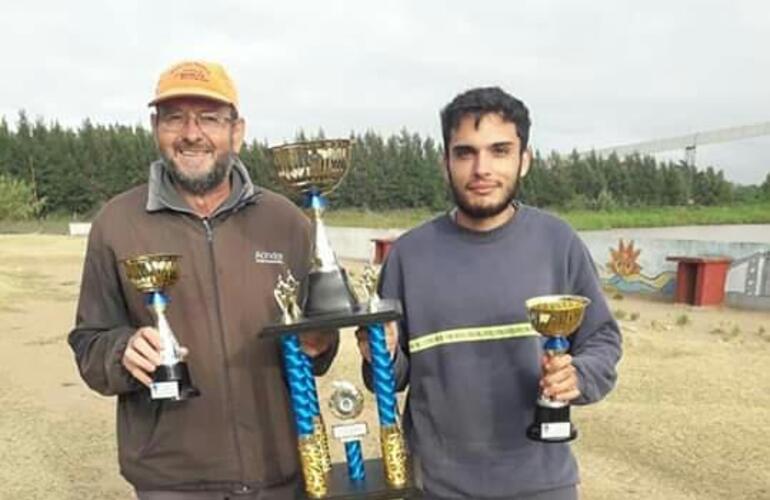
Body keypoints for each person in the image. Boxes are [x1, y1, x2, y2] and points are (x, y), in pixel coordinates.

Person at [68, 60, 338, 500]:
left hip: (283, 474)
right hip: (171, 482)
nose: (192, 133)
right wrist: (122, 351)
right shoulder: (117, 223)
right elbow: (88, 342)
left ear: (237, 130)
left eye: (209, 118)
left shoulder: (286, 221)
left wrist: (322, 343)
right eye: (175, 117)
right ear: (156, 128)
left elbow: (316, 344)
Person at [357, 87, 622, 499]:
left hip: (541, 485)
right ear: (446, 163)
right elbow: (389, 380)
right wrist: (382, 354)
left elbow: (602, 339)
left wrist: (578, 375)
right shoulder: (408, 255)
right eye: (465, 152)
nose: (482, 168)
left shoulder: (558, 242)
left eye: (499, 150)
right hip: (436, 488)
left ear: (525, 160)